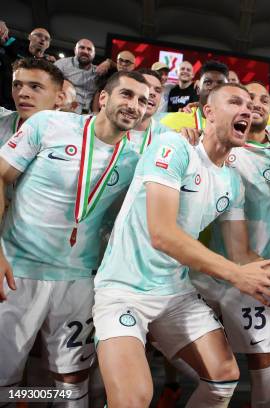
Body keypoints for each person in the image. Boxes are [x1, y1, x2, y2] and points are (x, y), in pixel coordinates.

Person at [92, 83, 270, 407]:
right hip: (124, 291)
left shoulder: (231, 181)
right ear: (207, 112)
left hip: (175, 293)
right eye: (236, 101)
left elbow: (240, 254)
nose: (248, 109)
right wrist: (234, 274)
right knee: (134, 398)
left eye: (251, 104)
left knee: (223, 378)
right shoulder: (175, 147)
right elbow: (163, 234)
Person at [0, 71, 149, 406]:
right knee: (4, 380)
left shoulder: (134, 161)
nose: (134, 105)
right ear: (103, 98)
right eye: (126, 94)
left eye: (142, 100)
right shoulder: (48, 125)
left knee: (72, 381)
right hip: (16, 271)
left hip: (78, 281)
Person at [195, 82, 270, 408]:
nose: (254, 105)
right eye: (245, 99)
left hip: (256, 272)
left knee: (262, 367)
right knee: (206, 370)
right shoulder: (207, 144)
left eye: (263, 100)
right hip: (204, 271)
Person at [0, 58, 65, 144]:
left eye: (35, 86)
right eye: (17, 85)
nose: (22, 93)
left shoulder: (73, 139)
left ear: (59, 98)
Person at [161, 60, 229, 131]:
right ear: (198, 90)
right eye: (208, 83)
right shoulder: (171, 122)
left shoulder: (235, 124)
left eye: (220, 84)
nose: (214, 88)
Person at [54, 39, 109, 113]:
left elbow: (120, 69)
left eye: (89, 49)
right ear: (75, 50)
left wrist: (109, 62)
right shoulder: (61, 65)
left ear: (94, 54)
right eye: (82, 48)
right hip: (64, 113)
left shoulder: (98, 71)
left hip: (87, 116)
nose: (85, 51)